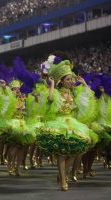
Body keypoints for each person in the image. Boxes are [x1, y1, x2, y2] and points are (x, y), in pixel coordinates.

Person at [37, 58, 98, 191]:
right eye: (68, 79)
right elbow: (50, 98)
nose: (71, 81)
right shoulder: (57, 92)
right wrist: (52, 84)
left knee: (76, 151)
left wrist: (84, 83)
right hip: (59, 123)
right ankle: (63, 180)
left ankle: (63, 175)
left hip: (72, 123)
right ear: (62, 81)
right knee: (61, 154)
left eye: (72, 79)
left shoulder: (74, 93)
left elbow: (90, 96)